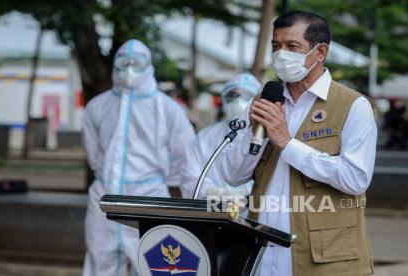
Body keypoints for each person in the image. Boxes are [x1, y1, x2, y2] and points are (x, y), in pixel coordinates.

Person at [216, 11, 377, 276]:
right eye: (276, 46)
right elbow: (232, 175)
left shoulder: (352, 105)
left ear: (320, 51)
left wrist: (287, 143)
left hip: (323, 259)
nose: (281, 55)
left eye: (292, 46)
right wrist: (255, 136)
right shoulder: (265, 101)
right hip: (262, 254)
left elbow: (356, 178)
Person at [82, 39, 196, 276]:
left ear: (149, 67)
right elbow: (93, 154)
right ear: (115, 66)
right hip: (104, 198)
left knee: (159, 266)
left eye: (136, 64)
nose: (129, 69)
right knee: (100, 263)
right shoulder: (97, 106)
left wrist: (166, 184)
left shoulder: (167, 109)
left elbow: (186, 155)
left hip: (150, 199)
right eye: (123, 64)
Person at [180, 73, 261, 199]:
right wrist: (213, 193)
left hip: (251, 212)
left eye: (247, 96)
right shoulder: (204, 137)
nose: (238, 101)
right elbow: (190, 175)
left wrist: (245, 195)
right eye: (232, 95)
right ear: (223, 99)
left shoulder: (264, 135)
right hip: (208, 209)